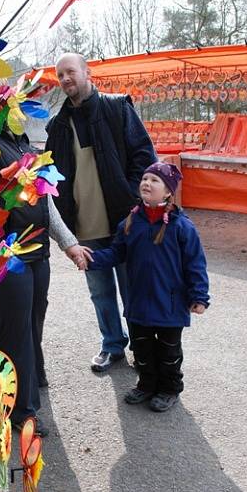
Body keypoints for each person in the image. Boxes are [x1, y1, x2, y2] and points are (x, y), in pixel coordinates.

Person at [0, 90, 90, 437]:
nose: (5, 106)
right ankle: (19, 410)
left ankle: (29, 380)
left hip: (35, 252)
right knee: (14, 331)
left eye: (9, 99)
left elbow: (46, 202)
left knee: (32, 321)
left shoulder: (26, 146)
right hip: (2, 256)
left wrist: (68, 244)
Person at [45, 52, 157, 372]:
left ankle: (141, 345)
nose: (66, 79)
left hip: (124, 219)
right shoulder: (58, 125)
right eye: (60, 75)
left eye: (70, 72)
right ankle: (112, 345)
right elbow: (50, 178)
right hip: (84, 226)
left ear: (87, 72)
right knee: (100, 291)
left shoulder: (117, 108)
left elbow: (144, 157)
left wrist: (136, 202)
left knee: (132, 287)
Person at [84, 162, 210, 412]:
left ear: (167, 192)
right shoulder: (130, 222)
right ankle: (146, 384)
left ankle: (169, 388)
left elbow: (196, 263)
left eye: (154, 180)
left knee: (169, 351)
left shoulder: (182, 227)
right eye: (144, 178)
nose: (146, 183)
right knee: (141, 347)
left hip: (170, 304)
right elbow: (116, 252)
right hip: (139, 301)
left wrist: (199, 296)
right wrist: (91, 259)